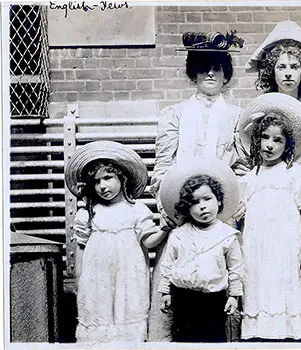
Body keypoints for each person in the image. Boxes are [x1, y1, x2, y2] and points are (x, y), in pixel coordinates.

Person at [148, 30, 244, 341]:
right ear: (193, 71)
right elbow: (162, 168)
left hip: (220, 214)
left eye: (217, 66)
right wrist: (169, 210)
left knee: (220, 297)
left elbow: (241, 167)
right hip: (181, 212)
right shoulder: (173, 115)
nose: (211, 73)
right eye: (204, 66)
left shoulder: (236, 116)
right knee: (179, 298)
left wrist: (233, 205)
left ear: (226, 73)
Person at [64, 141, 166, 343]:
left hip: (129, 277)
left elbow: (149, 242)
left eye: (108, 178)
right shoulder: (89, 213)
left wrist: (164, 228)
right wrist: (80, 280)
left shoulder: (137, 210)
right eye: (96, 181)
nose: (102, 186)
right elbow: (81, 248)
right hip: (97, 279)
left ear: (122, 178)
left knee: (129, 317)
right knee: (97, 317)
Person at [236, 93, 301, 341]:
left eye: (278, 140)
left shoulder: (295, 175)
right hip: (256, 246)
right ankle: (258, 334)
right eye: (265, 138)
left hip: (285, 245)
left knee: (284, 284)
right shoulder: (248, 179)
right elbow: (238, 217)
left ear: (287, 145)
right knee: (258, 284)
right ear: (256, 140)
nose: (269, 145)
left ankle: (286, 335)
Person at [156, 158, 243, 342]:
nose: (203, 206)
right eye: (195, 202)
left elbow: (235, 269)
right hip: (183, 298)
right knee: (183, 340)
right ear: (187, 207)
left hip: (214, 300)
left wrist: (234, 296)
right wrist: (165, 293)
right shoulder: (179, 235)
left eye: (207, 199)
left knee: (214, 340)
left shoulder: (227, 235)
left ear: (219, 200)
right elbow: (168, 266)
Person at [235, 21, 301, 177]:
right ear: (272, 71)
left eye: (294, 67)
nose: (288, 73)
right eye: (282, 67)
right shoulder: (261, 109)